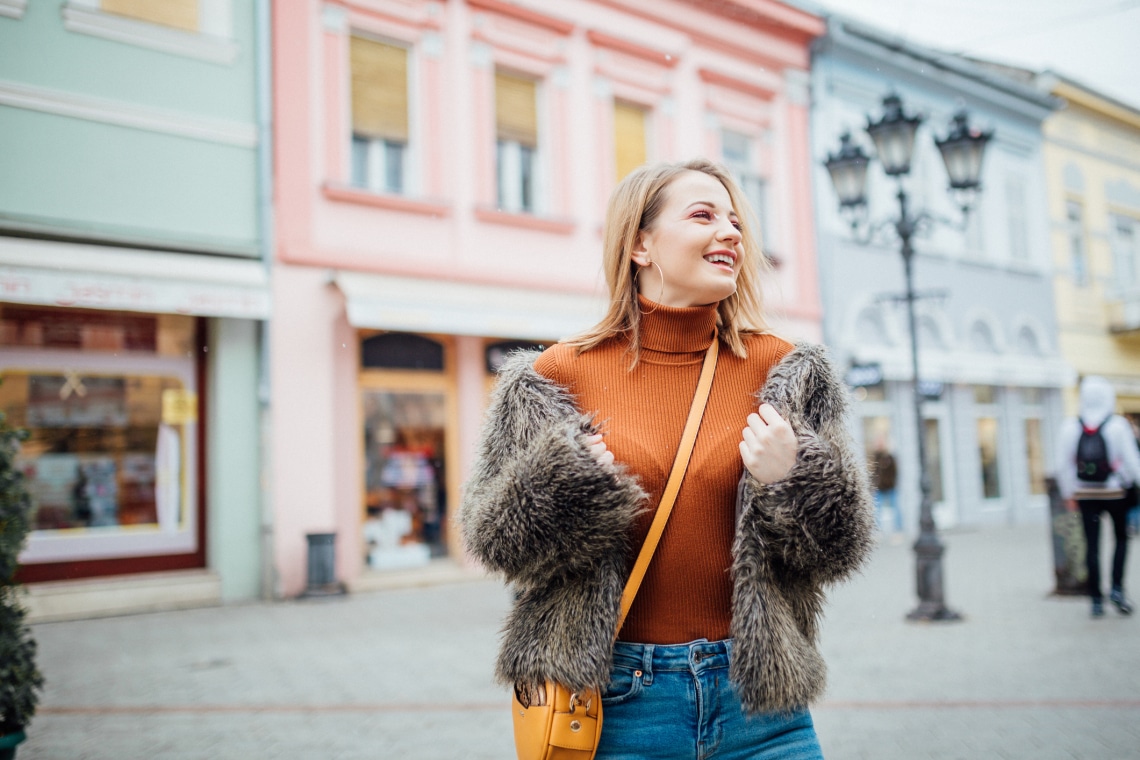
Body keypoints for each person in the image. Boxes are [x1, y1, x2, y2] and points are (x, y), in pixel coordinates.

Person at [460, 159, 875, 758]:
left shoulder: (789, 371)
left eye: (735, 220)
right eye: (704, 215)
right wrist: (563, 485)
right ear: (640, 245)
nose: (732, 232)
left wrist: (796, 480)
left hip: (760, 705)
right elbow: (494, 542)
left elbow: (841, 550)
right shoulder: (552, 377)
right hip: (617, 703)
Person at [1055, 376, 1140, 618]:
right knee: (1121, 540)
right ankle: (1116, 589)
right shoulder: (1117, 426)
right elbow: (1133, 463)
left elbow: (1063, 465)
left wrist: (1068, 494)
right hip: (1116, 494)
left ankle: (1095, 599)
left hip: (1085, 494)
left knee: (1092, 546)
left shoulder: (1071, 426)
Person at [870, 444, 901, 536]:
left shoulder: (891, 458)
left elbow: (894, 471)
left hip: (890, 487)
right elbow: (874, 471)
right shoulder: (876, 458)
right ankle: (877, 531)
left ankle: (898, 530)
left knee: (896, 509)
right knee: (877, 509)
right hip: (880, 487)